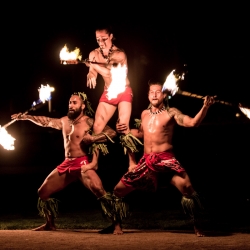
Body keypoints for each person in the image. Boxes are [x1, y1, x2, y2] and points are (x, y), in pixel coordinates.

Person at [112, 81, 215, 236]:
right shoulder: (144, 114)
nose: (154, 94)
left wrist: (205, 107)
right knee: (117, 191)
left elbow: (193, 122)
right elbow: (140, 134)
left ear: (164, 95)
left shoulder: (171, 113)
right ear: (147, 95)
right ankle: (117, 226)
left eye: (158, 91)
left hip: (166, 160)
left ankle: (197, 225)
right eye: (151, 92)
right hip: (147, 160)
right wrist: (125, 129)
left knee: (188, 188)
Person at [11, 92, 117, 231]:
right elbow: (46, 121)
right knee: (42, 192)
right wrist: (26, 117)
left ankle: (116, 224)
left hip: (82, 163)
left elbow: (112, 133)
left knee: (99, 189)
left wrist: (93, 139)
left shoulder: (89, 121)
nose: (71, 105)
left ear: (83, 106)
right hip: (67, 163)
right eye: (70, 102)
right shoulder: (64, 121)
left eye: (75, 103)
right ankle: (50, 224)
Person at [84, 25, 142, 169]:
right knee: (97, 126)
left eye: (104, 38)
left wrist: (92, 65)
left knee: (123, 127)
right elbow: (93, 71)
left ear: (111, 36)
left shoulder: (119, 54)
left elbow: (109, 73)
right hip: (108, 91)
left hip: (123, 90)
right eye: (98, 39)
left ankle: (132, 162)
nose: (101, 42)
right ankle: (94, 162)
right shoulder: (93, 54)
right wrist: (90, 74)